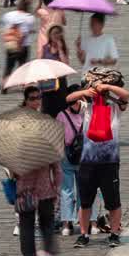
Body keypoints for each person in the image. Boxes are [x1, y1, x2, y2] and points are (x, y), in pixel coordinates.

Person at [69, 75, 129, 248]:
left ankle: (114, 233)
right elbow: (68, 99)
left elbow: (125, 95)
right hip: (88, 162)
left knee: (113, 201)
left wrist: (107, 87)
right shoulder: (85, 107)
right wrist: (86, 91)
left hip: (109, 162)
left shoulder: (115, 108)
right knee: (85, 201)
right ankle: (83, 234)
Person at [13, 85, 61, 256]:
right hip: (25, 186)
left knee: (47, 224)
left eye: (39, 97)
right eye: (32, 98)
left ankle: (48, 253)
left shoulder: (46, 121)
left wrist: (57, 182)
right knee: (26, 226)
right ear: (25, 100)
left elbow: (55, 155)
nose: (37, 101)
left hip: (45, 187)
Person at [55, 93, 83, 237]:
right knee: (82, 189)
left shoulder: (61, 115)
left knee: (66, 189)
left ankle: (66, 224)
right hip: (83, 154)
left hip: (66, 153)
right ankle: (84, 222)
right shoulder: (86, 114)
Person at [0, 0, 36, 93]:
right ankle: (24, 85)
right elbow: (24, 33)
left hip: (11, 44)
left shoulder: (8, 15)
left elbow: (5, 28)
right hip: (24, 45)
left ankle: (4, 85)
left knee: (9, 67)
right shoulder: (29, 18)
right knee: (23, 66)